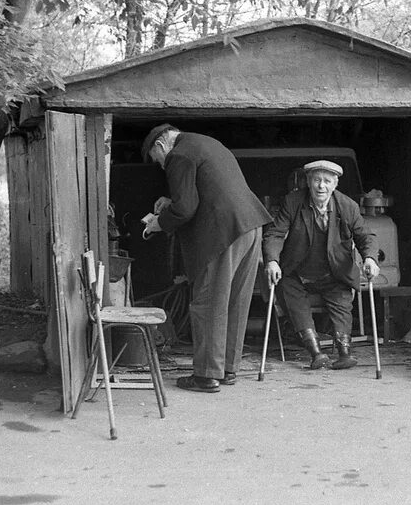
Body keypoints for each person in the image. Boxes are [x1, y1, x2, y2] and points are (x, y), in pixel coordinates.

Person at [141, 124, 272, 393]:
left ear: (160, 146)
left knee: (209, 302)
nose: (162, 166)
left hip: (222, 234)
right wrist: (171, 201)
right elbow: (207, 190)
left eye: (158, 161)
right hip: (249, 226)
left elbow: (186, 208)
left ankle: (206, 375)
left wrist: (159, 223)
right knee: (236, 300)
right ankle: (227, 369)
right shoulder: (206, 144)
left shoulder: (178, 156)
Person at [262, 160, 379, 370]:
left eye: (326, 181)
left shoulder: (347, 206)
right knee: (291, 295)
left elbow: (365, 236)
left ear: (335, 185)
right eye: (316, 180)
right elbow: (275, 233)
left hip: (333, 273)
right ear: (308, 182)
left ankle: (344, 353)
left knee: (342, 301)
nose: (321, 186)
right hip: (297, 272)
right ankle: (316, 353)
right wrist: (272, 260)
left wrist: (370, 258)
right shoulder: (293, 202)